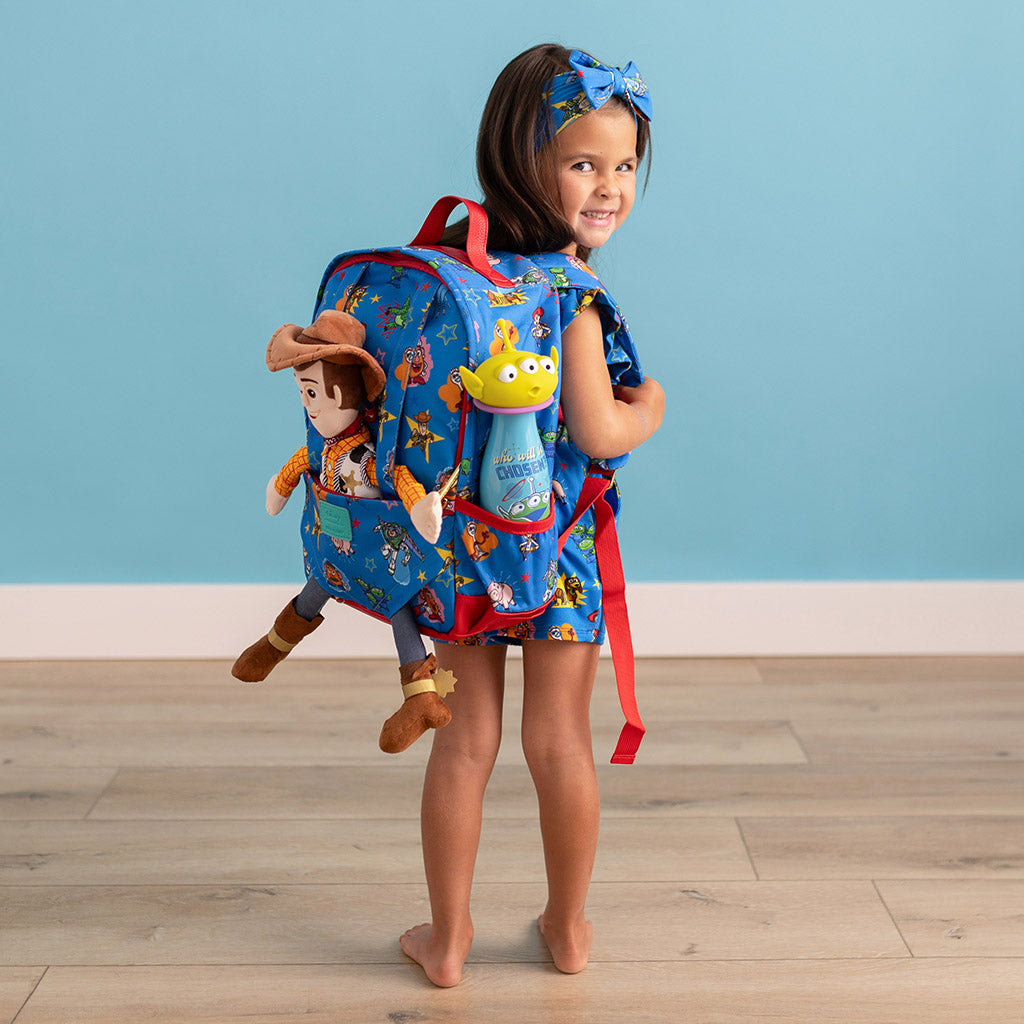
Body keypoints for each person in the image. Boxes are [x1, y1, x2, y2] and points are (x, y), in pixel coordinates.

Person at [399, 43, 665, 987]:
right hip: (552, 557)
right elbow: (597, 433)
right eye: (584, 162)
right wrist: (650, 407)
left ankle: (449, 940)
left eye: (625, 164)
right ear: (523, 159)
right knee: (560, 744)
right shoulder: (572, 292)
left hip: (458, 552)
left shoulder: (451, 275)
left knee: (463, 746)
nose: (609, 187)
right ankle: (568, 925)